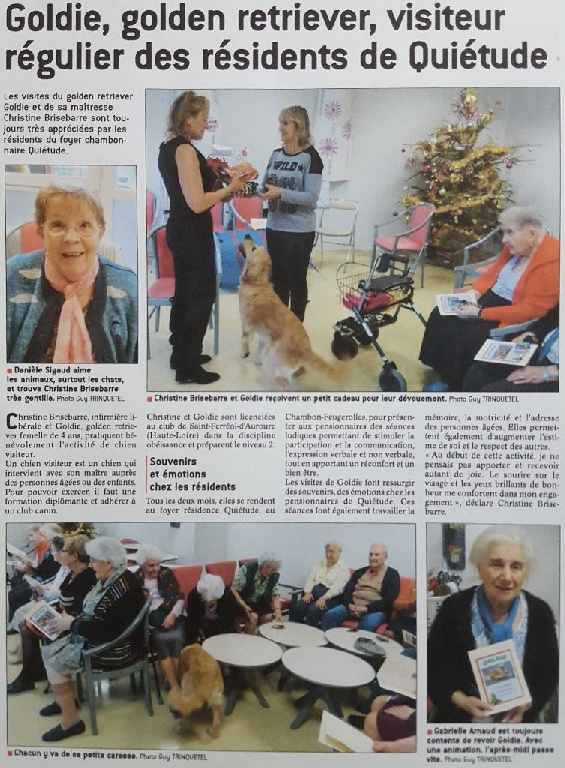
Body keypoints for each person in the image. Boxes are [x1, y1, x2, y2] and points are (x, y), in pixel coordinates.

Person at [158, 90, 249, 384]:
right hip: (190, 232)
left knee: (186, 293)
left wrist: (228, 186)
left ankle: (181, 354)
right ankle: (188, 367)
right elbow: (197, 202)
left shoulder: (169, 146)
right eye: (203, 119)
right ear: (188, 118)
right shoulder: (183, 150)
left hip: (183, 229)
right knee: (200, 297)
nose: (206, 125)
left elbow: (199, 196)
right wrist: (229, 187)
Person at [428, 526, 559, 723]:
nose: (506, 576)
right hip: (460, 722)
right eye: (497, 564)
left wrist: (527, 706)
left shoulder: (541, 613)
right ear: (480, 568)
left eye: (516, 566)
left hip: (517, 726)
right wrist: (462, 701)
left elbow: (548, 674)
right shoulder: (453, 609)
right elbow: (434, 667)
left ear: (525, 573)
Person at [420, 207, 559, 391]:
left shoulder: (552, 262)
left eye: (510, 232)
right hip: (490, 298)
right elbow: (491, 273)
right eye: (504, 232)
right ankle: (441, 368)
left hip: (512, 311)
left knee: (469, 335)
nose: (504, 240)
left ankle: (452, 383)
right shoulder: (517, 246)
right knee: (441, 315)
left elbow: (532, 311)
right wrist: (474, 293)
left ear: (532, 233)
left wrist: (479, 313)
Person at [6, 185, 137, 364]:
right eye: (58, 225)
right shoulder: (11, 277)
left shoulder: (129, 287)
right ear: (41, 232)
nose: (71, 238)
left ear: (101, 232)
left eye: (84, 225)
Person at [39, 537, 145, 742]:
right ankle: (65, 700)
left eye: (94, 560)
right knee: (49, 647)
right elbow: (97, 617)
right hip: (101, 636)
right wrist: (73, 620)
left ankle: (71, 722)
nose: (91, 564)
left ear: (108, 562)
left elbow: (103, 629)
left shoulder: (121, 587)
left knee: (54, 662)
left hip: (117, 648)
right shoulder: (113, 577)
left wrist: (71, 624)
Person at [7, 534, 97, 695]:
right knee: (25, 623)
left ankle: (27, 676)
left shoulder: (87, 577)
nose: (59, 553)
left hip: (72, 624)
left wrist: (60, 614)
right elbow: (65, 601)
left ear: (74, 556)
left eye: (63, 550)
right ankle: (33, 672)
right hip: (64, 616)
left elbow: (80, 610)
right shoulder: (72, 572)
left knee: (27, 627)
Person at [259, 105, 323, 321]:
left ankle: (295, 329)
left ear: (299, 126)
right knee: (278, 280)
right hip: (275, 227)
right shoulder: (275, 155)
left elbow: (311, 197)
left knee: (296, 280)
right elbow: (264, 188)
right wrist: (245, 187)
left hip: (299, 231)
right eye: (280, 123)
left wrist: (281, 193)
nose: (280, 128)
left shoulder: (311, 158)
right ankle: (279, 328)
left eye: (285, 123)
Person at [463, 305, 559, 392]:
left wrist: (547, 372)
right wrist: (532, 332)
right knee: (478, 373)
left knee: (496, 392)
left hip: (555, 373)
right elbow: (553, 315)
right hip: (542, 350)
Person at [133, 544, 185, 693]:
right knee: (161, 640)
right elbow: (137, 607)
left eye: (157, 564)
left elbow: (179, 598)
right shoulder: (136, 579)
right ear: (142, 565)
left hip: (174, 614)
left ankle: (176, 681)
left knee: (175, 639)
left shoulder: (167, 573)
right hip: (152, 621)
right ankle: (175, 687)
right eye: (151, 566)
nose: (156, 569)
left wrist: (172, 615)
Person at [321, 544, 400, 632]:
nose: (373, 557)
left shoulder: (392, 574)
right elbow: (347, 590)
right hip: (352, 606)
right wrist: (350, 605)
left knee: (369, 623)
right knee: (330, 615)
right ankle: (328, 644)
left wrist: (366, 609)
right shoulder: (360, 572)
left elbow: (390, 598)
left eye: (377, 554)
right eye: (371, 554)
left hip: (374, 610)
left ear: (385, 557)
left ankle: (355, 645)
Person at [8, 523, 62, 624]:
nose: (30, 539)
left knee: (14, 595)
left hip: (44, 584)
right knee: (15, 586)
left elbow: (46, 573)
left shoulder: (51, 552)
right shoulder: (47, 550)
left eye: (44, 535)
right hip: (43, 582)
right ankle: (15, 622)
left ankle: (16, 622)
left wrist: (28, 567)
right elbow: (45, 570)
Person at [289, 542, 350, 627]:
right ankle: (293, 631)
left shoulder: (343, 568)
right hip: (313, 593)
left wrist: (324, 597)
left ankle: (310, 636)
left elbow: (337, 588)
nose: (328, 555)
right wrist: (307, 592)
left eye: (332, 552)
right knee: (296, 608)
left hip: (330, 597)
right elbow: (310, 578)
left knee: (313, 611)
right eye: (327, 551)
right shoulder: (320, 563)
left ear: (339, 552)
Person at [232, 553, 283, 634]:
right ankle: (249, 641)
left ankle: (262, 640)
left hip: (259, 601)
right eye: (267, 566)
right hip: (242, 601)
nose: (269, 571)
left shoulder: (274, 575)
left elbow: (275, 595)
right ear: (262, 563)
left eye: (273, 570)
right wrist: (244, 605)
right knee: (253, 617)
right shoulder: (247, 569)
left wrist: (278, 611)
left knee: (268, 616)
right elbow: (234, 590)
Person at [185, 573, 240, 644]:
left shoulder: (227, 596)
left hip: (221, 626)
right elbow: (192, 621)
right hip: (202, 624)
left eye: (211, 601)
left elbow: (228, 621)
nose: (205, 602)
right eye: (203, 599)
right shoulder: (194, 596)